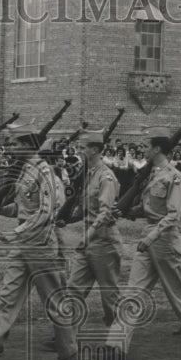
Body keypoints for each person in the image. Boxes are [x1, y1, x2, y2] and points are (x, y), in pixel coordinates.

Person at [0, 126, 78, 360]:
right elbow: (22, 209)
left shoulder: (45, 174)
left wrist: (16, 232)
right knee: (6, 298)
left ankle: (69, 353)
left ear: (28, 146)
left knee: (54, 300)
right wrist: (0, 209)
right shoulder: (25, 171)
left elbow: (46, 213)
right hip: (23, 244)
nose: (10, 148)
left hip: (41, 244)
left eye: (15, 144)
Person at [105, 126, 181, 360]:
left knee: (177, 295)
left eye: (146, 146)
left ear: (158, 148)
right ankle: (117, 347)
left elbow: (173, 215)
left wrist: (151, 237)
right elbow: (149, 207)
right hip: (149, 236)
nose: (143, 149)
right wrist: (128, 211)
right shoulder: (152, 174)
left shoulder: (174, 176)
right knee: (133, 292)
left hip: (165, 239)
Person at [52, 127, 122, 332]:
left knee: (109, 295)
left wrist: (87, 236)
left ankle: (118, 339)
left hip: (104, 241)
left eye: (82, 147)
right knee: (73, 289)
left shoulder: (105, 177)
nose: (78, 150)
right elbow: (86, 210)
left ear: (94, 150)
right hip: (89, 239)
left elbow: (105, 212)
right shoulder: (88, 174)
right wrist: (70, 220)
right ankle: (65, 340)